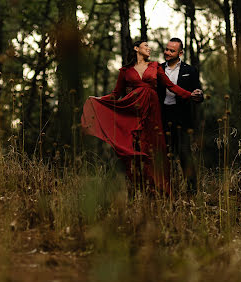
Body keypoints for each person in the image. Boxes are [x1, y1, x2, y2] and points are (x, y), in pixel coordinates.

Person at [81, 40, 202, 194]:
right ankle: (144, 188)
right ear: (136, 48)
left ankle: (164, 188)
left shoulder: (155, 66)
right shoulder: (125, 71)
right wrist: (98, 100)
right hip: (136, 110)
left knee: (156, 148)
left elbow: (171, 86)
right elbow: (115, 94)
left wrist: (189, 95)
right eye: (146, 46)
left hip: (154, 112)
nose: (149, 48)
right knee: (139, 148)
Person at [157, 38, 203, 192]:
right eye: (167, 49)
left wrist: (199, 94)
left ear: (180, 53)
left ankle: (192, 191)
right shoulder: (157, 69)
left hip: (181, 118)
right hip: (162, 117)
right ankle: (164, 191)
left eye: (172, 50)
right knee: (163, 155)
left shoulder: (190, 71)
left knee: (184, 154)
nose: (167, 53)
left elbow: (197, 93)